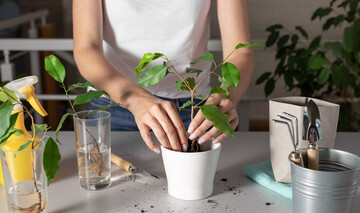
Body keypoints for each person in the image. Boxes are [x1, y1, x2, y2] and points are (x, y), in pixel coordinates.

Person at [73, 0, 254, 153]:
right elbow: (86, 49)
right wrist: (134, 99)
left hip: (195, 112)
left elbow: (240, 51)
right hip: (114, 106)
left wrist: (227, 94)